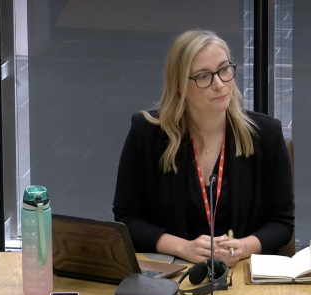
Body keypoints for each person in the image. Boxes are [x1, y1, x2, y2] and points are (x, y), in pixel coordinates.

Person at [112, 30, 294, 267]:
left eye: (224, 70)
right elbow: (127, 219)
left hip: (242, 273)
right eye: (203, 76)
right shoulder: (146, 134)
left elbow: (282, 223)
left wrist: (243, 247)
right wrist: (182, 247)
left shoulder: (266, 135)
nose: (219, 84)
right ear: (179, 86)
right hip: (172, 275)